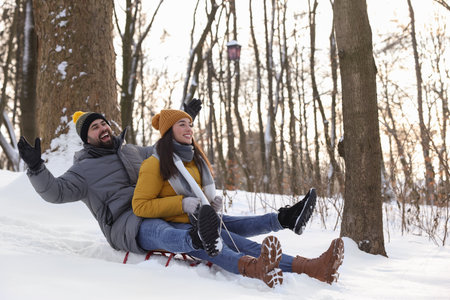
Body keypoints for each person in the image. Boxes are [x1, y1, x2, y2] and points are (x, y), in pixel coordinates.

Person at [131, 109, 344, 288]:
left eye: (190, 124)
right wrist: (181, 204)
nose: (189, 129)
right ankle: (263, 264)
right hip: (173, 225)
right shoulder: (153, 164)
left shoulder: (194, 161)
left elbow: (197, 196)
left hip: (194, 219)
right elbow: (140, 206)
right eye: (182, 125)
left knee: (237, 235)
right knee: (228, 241)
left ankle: (307, 258)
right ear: (169, 132)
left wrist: (209, 203)